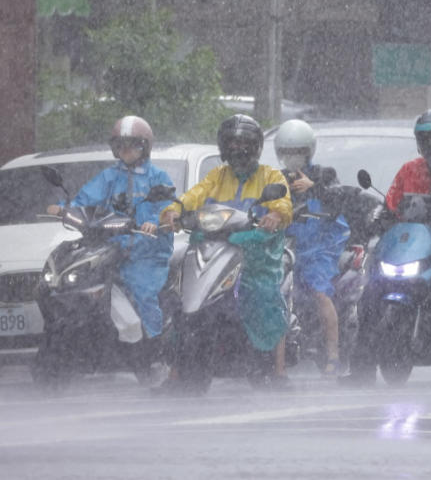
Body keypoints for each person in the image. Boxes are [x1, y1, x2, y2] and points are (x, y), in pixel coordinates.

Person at [339, 108, 431, 387]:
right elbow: (391, 205)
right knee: (370, 294)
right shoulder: (409, 170)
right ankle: (361, 369)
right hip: (410, 248)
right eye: (428, 139)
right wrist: (377, 218)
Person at [159, 114, 293, 389]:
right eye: (231, 143)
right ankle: (174, 372)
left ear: (255, 146)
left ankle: (278, 372)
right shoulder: (216, 176)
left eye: (244, 143)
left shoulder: (271, 176)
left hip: (256, 252)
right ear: (223, 147)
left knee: (264, 297)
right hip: (214, 246)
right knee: (182, 299)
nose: (237, 149)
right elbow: (194, 195)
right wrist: (175, 210)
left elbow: (283, 204)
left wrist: (275, 216)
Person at [46, 116, 174, 368]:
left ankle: (155, 349)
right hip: (112, 249)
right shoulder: (109, 177)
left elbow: (168, 208)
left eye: (132, 145)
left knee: (143, 293)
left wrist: (154, 222)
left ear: (145, 147)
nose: (126, 151)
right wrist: (62, 209)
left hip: (147, 253)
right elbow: (85, 200)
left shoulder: (158, 177)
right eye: (121, 145)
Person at [275, 118, 378, 377]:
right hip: (287, 244)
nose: (293, 159)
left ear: (309, 151)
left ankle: (333, 353)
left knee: (320, 291)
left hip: (321, 245)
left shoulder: (324, 174)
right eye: (288, 153)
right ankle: (272, 359)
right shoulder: (276, 180)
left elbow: (339, 196)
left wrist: (314, 188)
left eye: (298, 153)